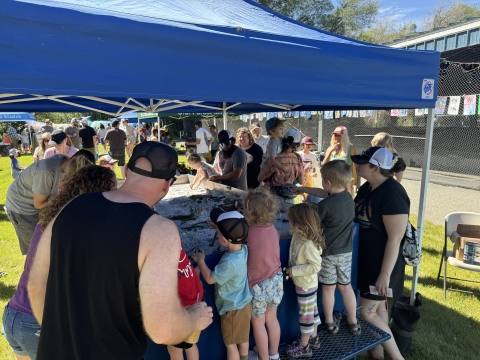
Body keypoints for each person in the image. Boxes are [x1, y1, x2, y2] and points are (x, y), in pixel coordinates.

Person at [28, 142, 213, 359]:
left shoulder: (71, 206)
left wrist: (64, 338)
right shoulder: (159, 230)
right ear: (167, 185)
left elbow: (35, 285)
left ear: (126, 170)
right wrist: (194, 318)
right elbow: (164, 329)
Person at [2, 166, 117, 360]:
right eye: (114, 187)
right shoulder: (80, 228)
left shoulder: (50, 219)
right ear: (101, 191)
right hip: (37, 320)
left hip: (14, 315)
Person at [351, 146, 409, 360]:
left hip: (380, 266)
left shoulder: (393, 193)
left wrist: (384, 275)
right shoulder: (368, 187)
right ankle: (377, 355)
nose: (357, 165)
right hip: (367, 261)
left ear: (375, 168)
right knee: (377, 312)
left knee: (366, 313)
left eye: (361, 163)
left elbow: (395, 238)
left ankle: (397, 358)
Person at [192, 209, 252, 360]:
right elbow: (234, 233)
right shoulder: (243, 249)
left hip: (232, 309)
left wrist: (200, 261)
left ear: (224, 240)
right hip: (245, 304)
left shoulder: (229, 263)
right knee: (243, 338)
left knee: (230, 343)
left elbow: (211, 279)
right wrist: (220, 227)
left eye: (218, 233)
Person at [5, 152, 92, 255]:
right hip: (22, 207)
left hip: (39, 203)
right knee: (34, 249)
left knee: (47, 243)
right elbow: (39, 204)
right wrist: (67, 202)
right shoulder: (46, 171)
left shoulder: (68, 164)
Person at [315, 161, 359, 336]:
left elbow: (314, 225)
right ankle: (353, 322)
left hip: (327, 254)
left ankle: (330, 324)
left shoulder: (324, 206)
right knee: (346, 287)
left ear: (328, 184)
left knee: (328, 288)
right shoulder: (349, 199)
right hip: (345, 253)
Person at [242, 188, 283, 360]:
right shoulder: (273, 228)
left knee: (258, 324)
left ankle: (263, 358)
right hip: (276, 282)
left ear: (250, 214)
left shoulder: (248, 233)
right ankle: (274, 355)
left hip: (258, 286)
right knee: (272, 319)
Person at [284, 203, 324, 358]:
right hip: (305, 284)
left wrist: (294, 271)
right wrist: (281, 235)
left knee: (306, 316)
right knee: (312, 311)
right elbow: (291, 233)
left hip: (305, 285)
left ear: (299, 225)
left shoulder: (308, 245)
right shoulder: (299, 234)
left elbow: (316, 266)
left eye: (291, 221)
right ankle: (314, 338)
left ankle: (304, 346)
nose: (289, 224)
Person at [322, 126, 360, 195]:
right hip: (332, 184)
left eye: (339, 135)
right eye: (335, 135)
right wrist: (330, 151)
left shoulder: (352, 149)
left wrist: (358, 184)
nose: (336, 138)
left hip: (346, 185)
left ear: (345, 136)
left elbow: (358, 168)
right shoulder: (330, 149)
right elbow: (323, 166)